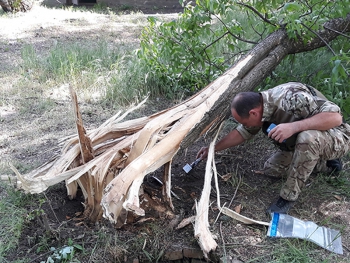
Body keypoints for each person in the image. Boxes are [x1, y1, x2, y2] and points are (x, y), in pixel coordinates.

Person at [196, 82, 350, 214]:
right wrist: (213, 149)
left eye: (245, 121)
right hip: (310, 140)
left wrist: (293, 127)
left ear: (253, 113)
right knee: (272, 168)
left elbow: (335, 118)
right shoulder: (261, 108)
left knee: (307, 138)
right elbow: (242, 133)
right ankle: (325, 164)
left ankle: (288, 197)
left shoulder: (291, 98)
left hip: (337, 136)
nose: (246, 125)